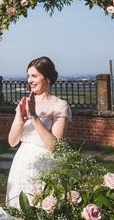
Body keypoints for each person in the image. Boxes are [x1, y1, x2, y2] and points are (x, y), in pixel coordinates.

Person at [5, 56, 71, 207]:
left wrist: (34, 116)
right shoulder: (24, 103)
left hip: (45, 164)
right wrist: (21, 120)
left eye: (34, 76)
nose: (29, 80)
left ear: (47, 78)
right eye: (28, 76)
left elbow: (54, 146)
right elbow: (12, 141)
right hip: (21, 163)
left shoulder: (60, 106)